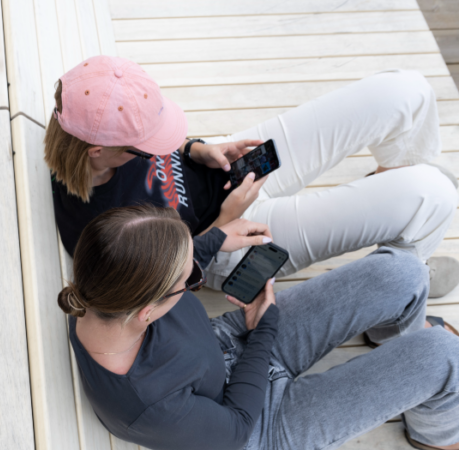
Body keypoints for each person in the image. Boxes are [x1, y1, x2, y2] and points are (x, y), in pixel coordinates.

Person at [59, 204, 459, 450]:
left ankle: (393, 342)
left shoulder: (105, 291)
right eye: (192, 278)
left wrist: (214, 240)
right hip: (259, 424)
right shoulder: (146, 403)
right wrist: (264, 328)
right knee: (444, 355)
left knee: (403, 271)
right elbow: (238, 425)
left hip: (227, 345)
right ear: (148, 312)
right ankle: (436, 432)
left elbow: (148, 263)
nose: (196, 274)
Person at [46, 55, 459, 298]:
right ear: (99, 151)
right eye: (148, 143)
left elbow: (160, 146)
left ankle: (396, 187)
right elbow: (168, 282)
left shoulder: (94, 120)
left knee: (406, 91)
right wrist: (224, 222)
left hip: (228, 171)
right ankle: (398, 299)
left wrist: (196, 149)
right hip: (230, 243)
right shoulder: (99, 228)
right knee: (433, 193)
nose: (157, 145)